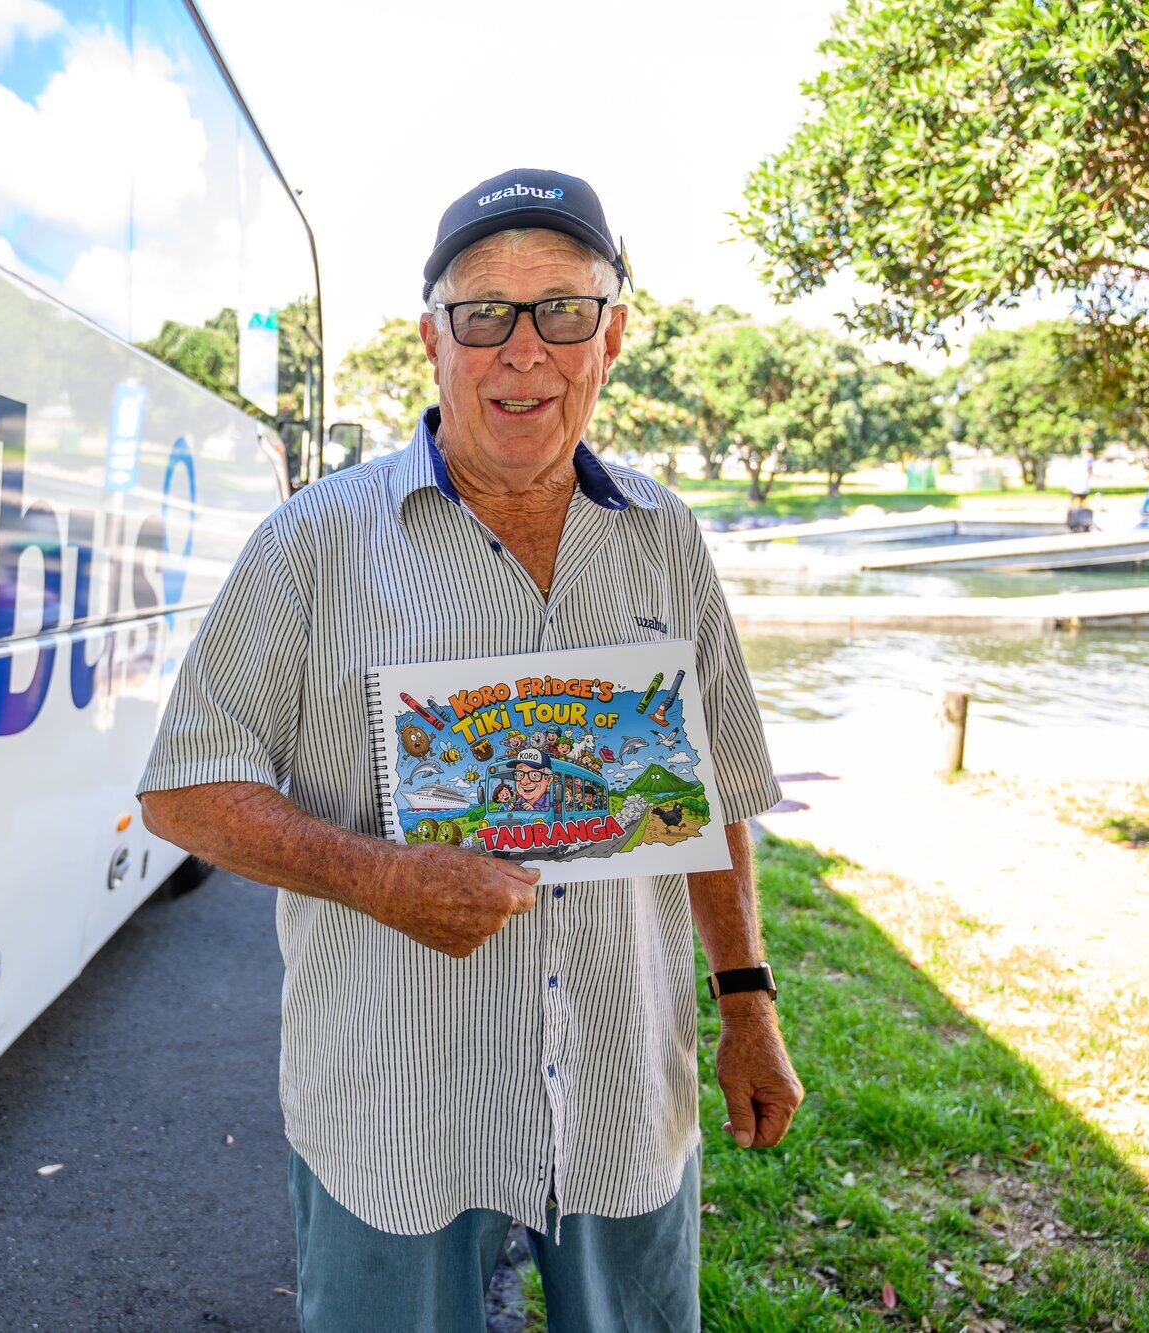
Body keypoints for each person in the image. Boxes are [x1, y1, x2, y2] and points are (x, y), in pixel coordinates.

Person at [137, 168, 803, 1332]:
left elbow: (712, 791)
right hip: (393, 1113)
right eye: (482, 312)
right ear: (431, 340)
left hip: (619, 1096)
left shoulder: (664, 538)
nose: (522, 350)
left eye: (562, 309)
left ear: (613, 335)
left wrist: (747, 1004)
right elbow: (183, 791)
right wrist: (380, 875)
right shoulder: (311, 542)